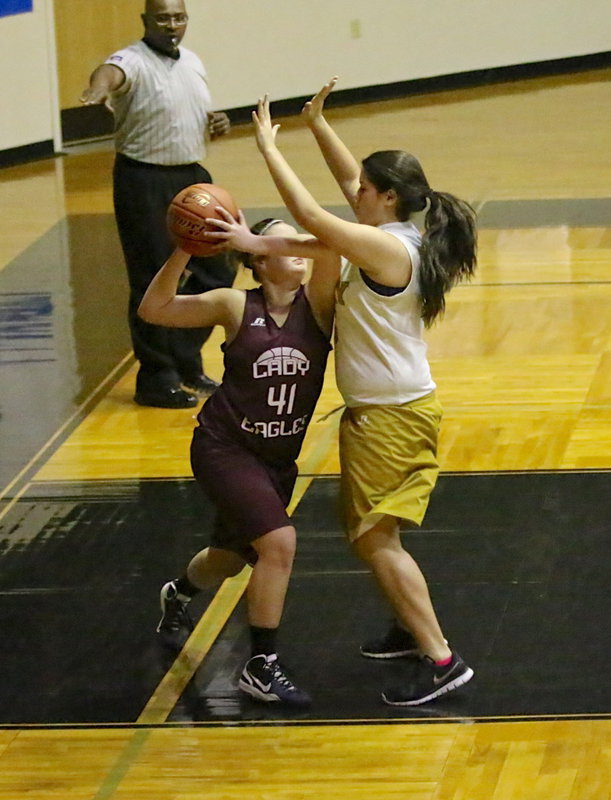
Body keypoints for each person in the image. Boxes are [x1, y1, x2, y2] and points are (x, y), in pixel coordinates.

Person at [209, 79, 478, 707]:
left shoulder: (384, 246)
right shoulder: (394, 233)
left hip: (391, 417)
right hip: (386, 412)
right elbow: (334, 206)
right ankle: (410, 628)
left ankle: (441, 659)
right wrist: (317, 124)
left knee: (373, 538)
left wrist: (268, 149)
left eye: (364, 189)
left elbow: (311, 221)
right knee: (375, 531)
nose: (354, 191)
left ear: (387, 199)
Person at [138, 218, 338, 705]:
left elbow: (328, 244)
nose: (297, 250)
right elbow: (154, 309)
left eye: (297, 241)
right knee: (279, 544)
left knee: (228, 560)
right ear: (258, 260)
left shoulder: (319, 301)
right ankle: (260, 666)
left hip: (277, 460)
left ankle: (179, 593)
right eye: (281, 242)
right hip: (223, 447)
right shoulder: (234, 304)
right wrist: (186, 249)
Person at [80, 0, 235, 408]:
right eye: (163, 18)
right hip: (143, 179)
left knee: (219, 268)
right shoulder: (131, 60)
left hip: (193, 178)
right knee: (153, 278)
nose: (172, 25)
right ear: (146, 21)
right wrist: (96, 90)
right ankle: (156, 377)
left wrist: (216, 121)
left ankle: (185, 358)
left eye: (179, 17)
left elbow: (192, 112)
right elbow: (109, 74)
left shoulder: (193, 61)